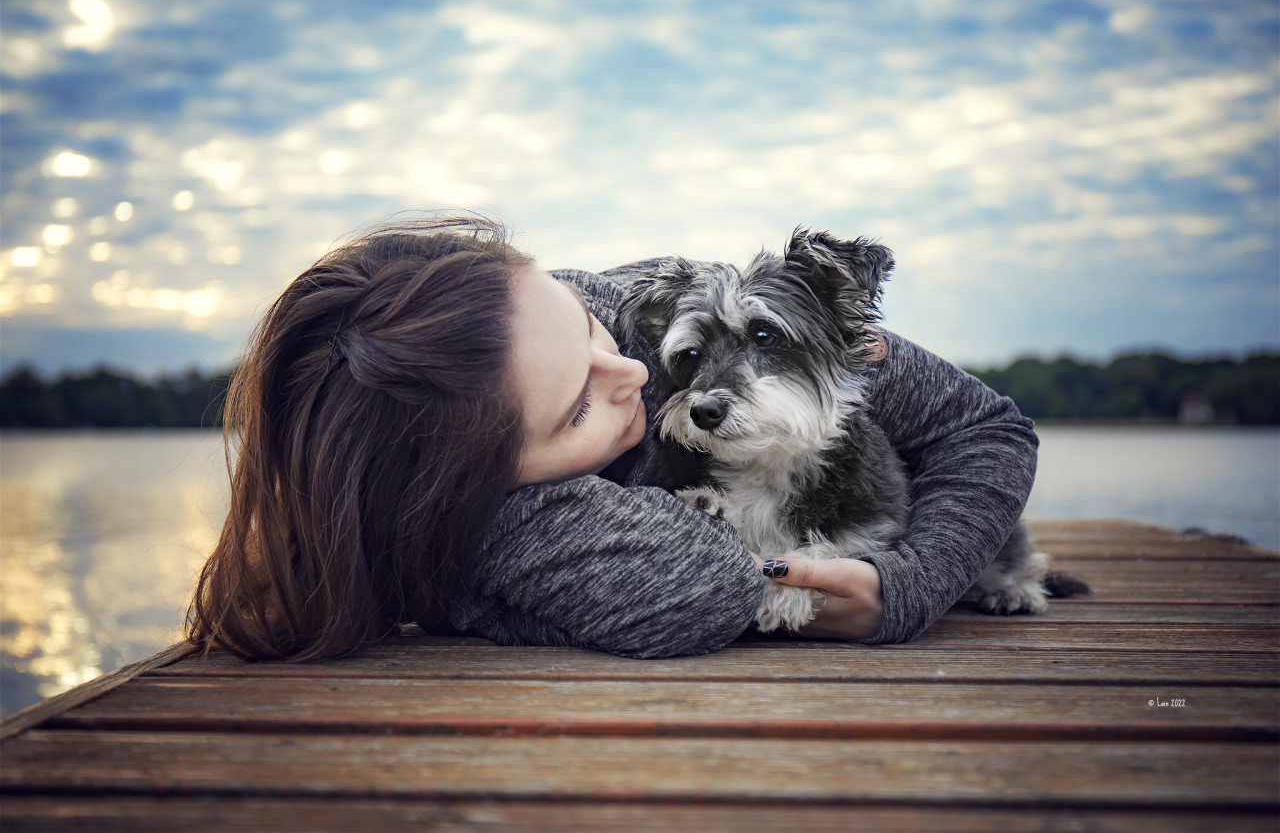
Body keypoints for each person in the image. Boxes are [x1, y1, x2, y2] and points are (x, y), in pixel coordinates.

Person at [186, 214, 1036, 661]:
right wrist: (478, 567)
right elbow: (700, 587)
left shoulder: (682, 307)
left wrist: (913, 583)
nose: (637, 374)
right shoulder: (475, 482)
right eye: (576, 412)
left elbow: (987, 428)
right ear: (497, 492)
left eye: (589, 330)